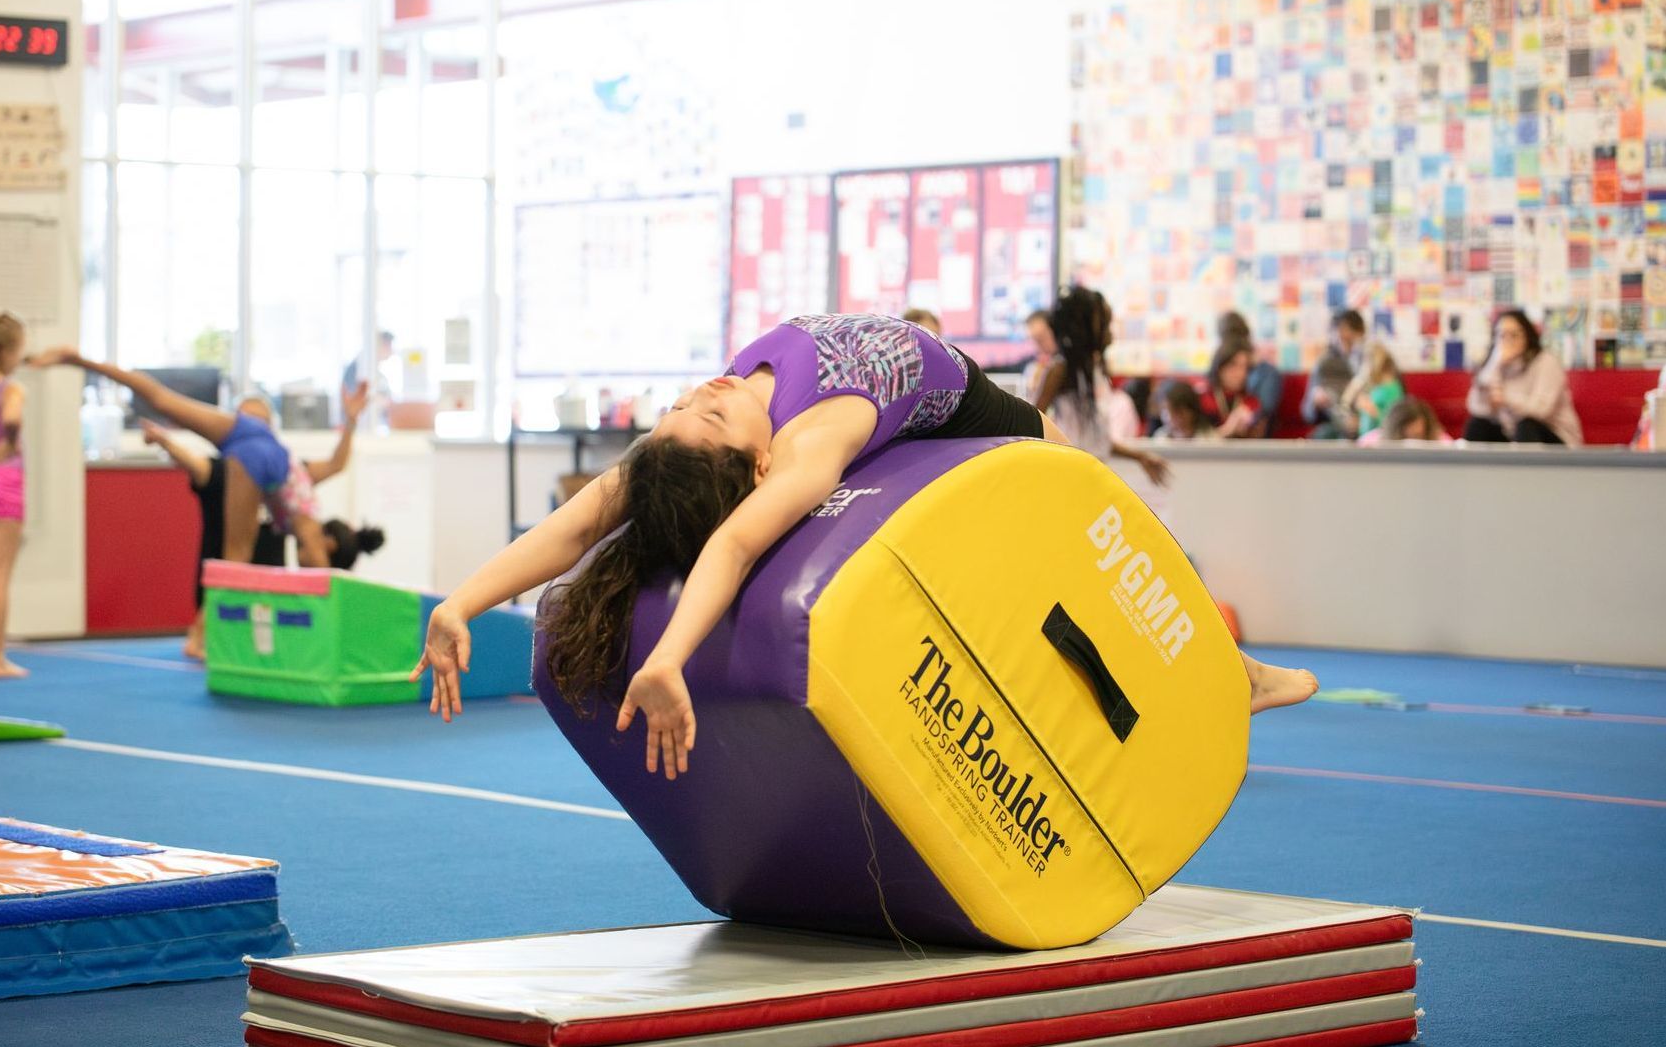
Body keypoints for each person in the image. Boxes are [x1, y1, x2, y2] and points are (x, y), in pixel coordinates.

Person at [416, 313, 1318, 773]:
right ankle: (1232, 672)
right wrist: (670, 660)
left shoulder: (702, 439)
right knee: (1088, 514)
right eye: (711, 409)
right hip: (969, 408)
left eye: (691, 403)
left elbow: (577, 521)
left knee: (1095, 518)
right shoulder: (810, 443)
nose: (706, 388)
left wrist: (459, 601)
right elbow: (728, 549)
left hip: (931, 389)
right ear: (757, 463)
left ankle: (1225, 664)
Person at [31, 347, 379, 571]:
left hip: (247, 436)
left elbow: (337, 463)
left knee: (163, 399)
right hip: (264, 456)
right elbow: (336, 466)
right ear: (331, 544)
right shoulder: (311, 530)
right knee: (236, 560)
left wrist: (350, 421)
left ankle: (77, 360)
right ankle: (210, 635)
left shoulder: (296, 475)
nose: (303, 562)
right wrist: (349, 421)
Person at [141, 384, 385, 659]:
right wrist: (165, 441)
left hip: (269, 596)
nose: (251, 429)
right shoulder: (227, 469)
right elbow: (197, 465)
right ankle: (200, 635)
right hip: (225, 590)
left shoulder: (286, 477)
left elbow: (335, 464)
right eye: (244, 421)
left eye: (260, 424)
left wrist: (351, 421)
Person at [1031, 287, 1168, 484]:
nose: (1110, 332)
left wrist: (1139, 456)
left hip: (1089, 474)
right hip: (1067, 475)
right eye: (1104, 323)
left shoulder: (1093, 371)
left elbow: (1094, 440)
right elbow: (1030, 422)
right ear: (1083, 327)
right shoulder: (1060, 369)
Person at [1462, 310, 1583, 447]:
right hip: (1513, 437)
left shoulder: (1546, 361)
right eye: (1501, 335)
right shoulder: (1495, 365)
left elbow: (1541, 410)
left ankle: (1526, 469)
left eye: (1514, 335)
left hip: (1553, 437)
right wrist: (1494, 363)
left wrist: (1505, 398)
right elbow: (1475, 407)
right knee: (1478, 424)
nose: (1507, 341)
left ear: (1527, 336)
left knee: (1526, 425)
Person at [0, 313, 28, 679]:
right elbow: (13, 417)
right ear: (4, 352)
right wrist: (10, 444)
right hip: (4, 479)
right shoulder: (11, 388)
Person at [1216, 312, 1283, 436]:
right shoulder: (1219, 369)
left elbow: (1263, 412)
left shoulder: (1266, 373)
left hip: (1251, 433)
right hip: (1220, 435)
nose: (1240, 374)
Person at [1303, 310, 1366, 438]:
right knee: (1324, 434)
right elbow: (1307, 411)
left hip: (1369, 421)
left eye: (1348, 330)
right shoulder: (1325, 363)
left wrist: (1364, 419)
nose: (1343, 336)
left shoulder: (1375, 359)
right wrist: (1315, 402)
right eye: (1338, 331)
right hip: (1336, 426)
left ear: (1361, 332)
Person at [1200, 340, 1266, 438]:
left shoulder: (1251, 402)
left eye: (1245, 367)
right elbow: (1194, 442)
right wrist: (1227, 430)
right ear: (1220, 366)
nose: (1241, 374)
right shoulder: (1203, 399)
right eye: (1234, 365)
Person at [1340, 341, 1405, 438]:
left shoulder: (1392, 389)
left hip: (1380, 440)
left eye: (1366, 363)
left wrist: (1371, 409)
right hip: (1366, 438)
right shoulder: (1376, 388)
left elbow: (1395, 423)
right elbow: (1345, 402)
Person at [1358, 397, 1452, 446]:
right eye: (1404, 437)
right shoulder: (1371, 442)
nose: (1411, 444)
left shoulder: (1442, 442)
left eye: (1417, 436)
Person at [1150, 379, 1217, 441]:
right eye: (1164, 411)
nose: (1169, 417)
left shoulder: (1209, 437)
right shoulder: (1160, 437)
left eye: (1177, 412)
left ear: (1192, 411)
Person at [1020, 309, 1058, 404]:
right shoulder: (1032, 367)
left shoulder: (1061, 367)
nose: (1038, 346)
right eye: (1034, 339)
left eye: (1041, 338)